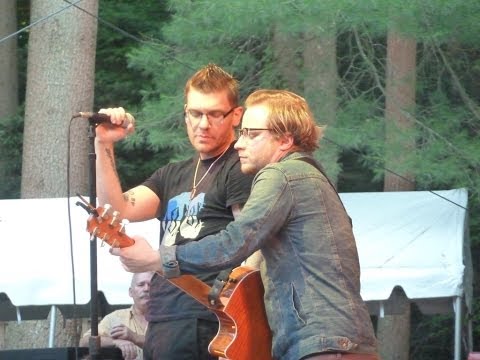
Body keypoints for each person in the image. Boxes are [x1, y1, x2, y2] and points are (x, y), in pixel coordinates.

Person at [111, 89, 379, 360]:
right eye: (242, 133)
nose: (239, 144)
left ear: (285, 139)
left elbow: (234, 242)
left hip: (324, 344)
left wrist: (159, 258)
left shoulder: (281, 174)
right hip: (337, 341)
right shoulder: (311, 178)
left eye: (252, 134)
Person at [94, 64, 254, 360]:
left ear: (236, 115)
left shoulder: (239, 167)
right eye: (195, 113)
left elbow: (249, 242)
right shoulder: (172, 174)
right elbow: (115, 209)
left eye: (214, 114)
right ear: (185, 113)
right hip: (163, 317)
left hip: (209, 318)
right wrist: (104, 144)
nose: (203, 124)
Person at [79, 271, 153, 360]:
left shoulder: (169, 319)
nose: (146, 289)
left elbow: (167, 346)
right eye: (141, 285)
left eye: (151, 285)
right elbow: (84, 341)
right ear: (130, 292)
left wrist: (135, 337)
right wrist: (115, 342)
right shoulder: (116, 317)